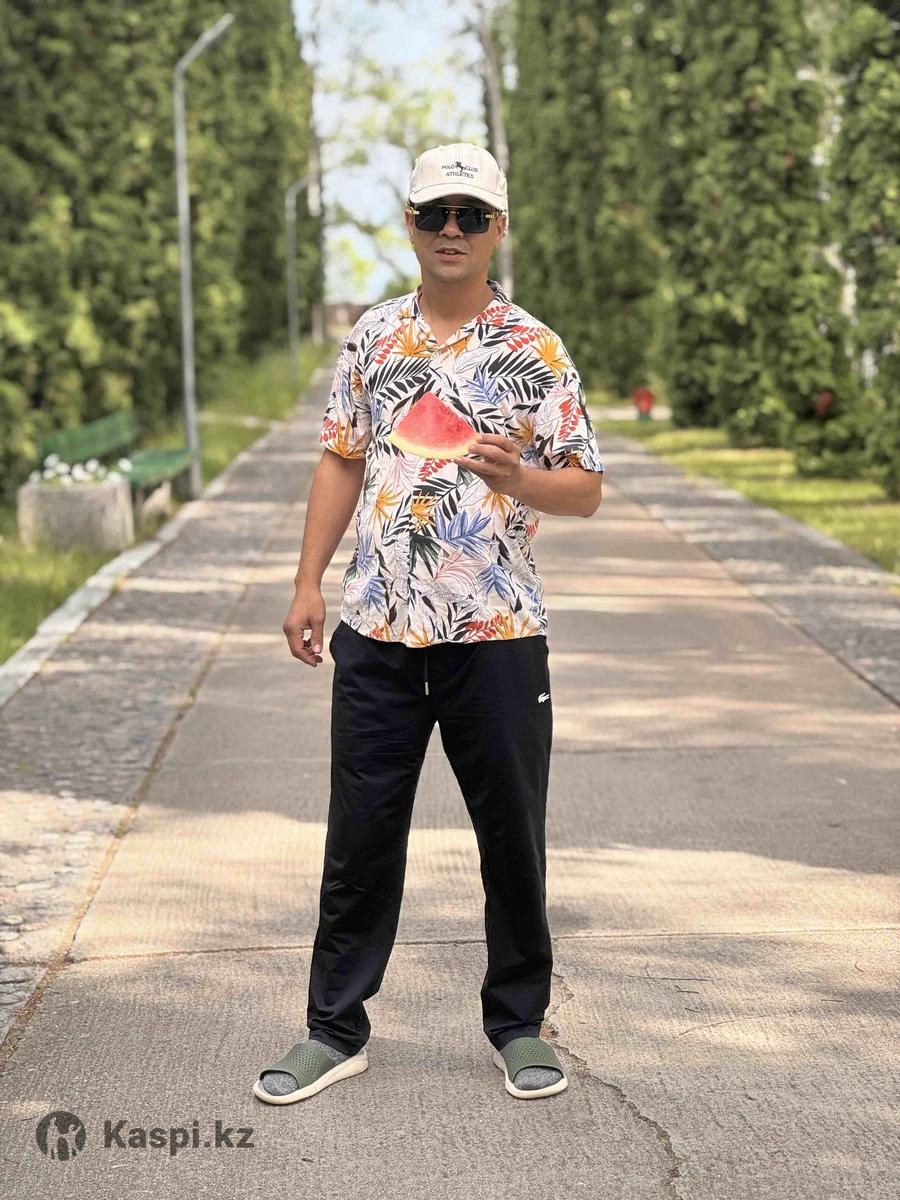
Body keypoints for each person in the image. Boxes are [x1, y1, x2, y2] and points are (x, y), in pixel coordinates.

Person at [253, 142, 604, 1105]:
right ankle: (334, 1030)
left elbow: (585, 489)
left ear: (497, 229)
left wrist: (520, 478)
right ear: (409, 225)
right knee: (359, 838)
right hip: (377, 629)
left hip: (496, 631)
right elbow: (342, 458)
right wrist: (307, 583)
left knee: (511, 838)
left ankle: (519, 1026)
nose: (453, 231)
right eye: (435, 214)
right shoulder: (373, 337)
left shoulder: (536, 349)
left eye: (471, 215)